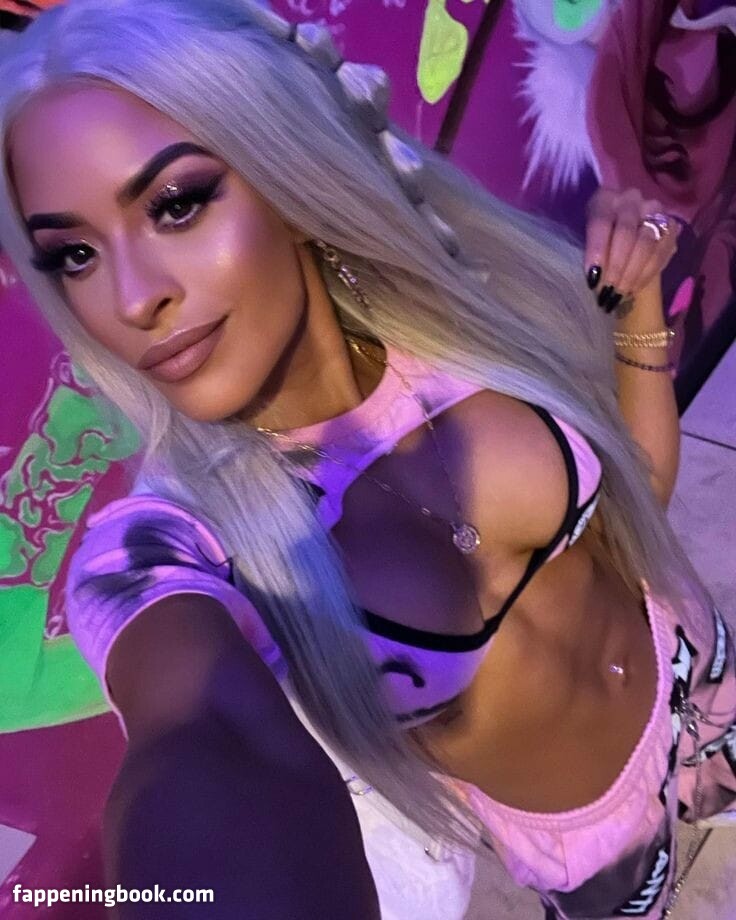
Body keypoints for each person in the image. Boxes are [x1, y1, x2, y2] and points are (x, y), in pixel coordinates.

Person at [1, 1, 734, 917]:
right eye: (73, 255)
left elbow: (636, 502)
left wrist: (641, 312)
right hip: (597, 850)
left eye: (176, 205)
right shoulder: (170, 545)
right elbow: (203, 745)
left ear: (288, 172)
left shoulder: (461, 318)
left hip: (699, 670)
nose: (132, 297)